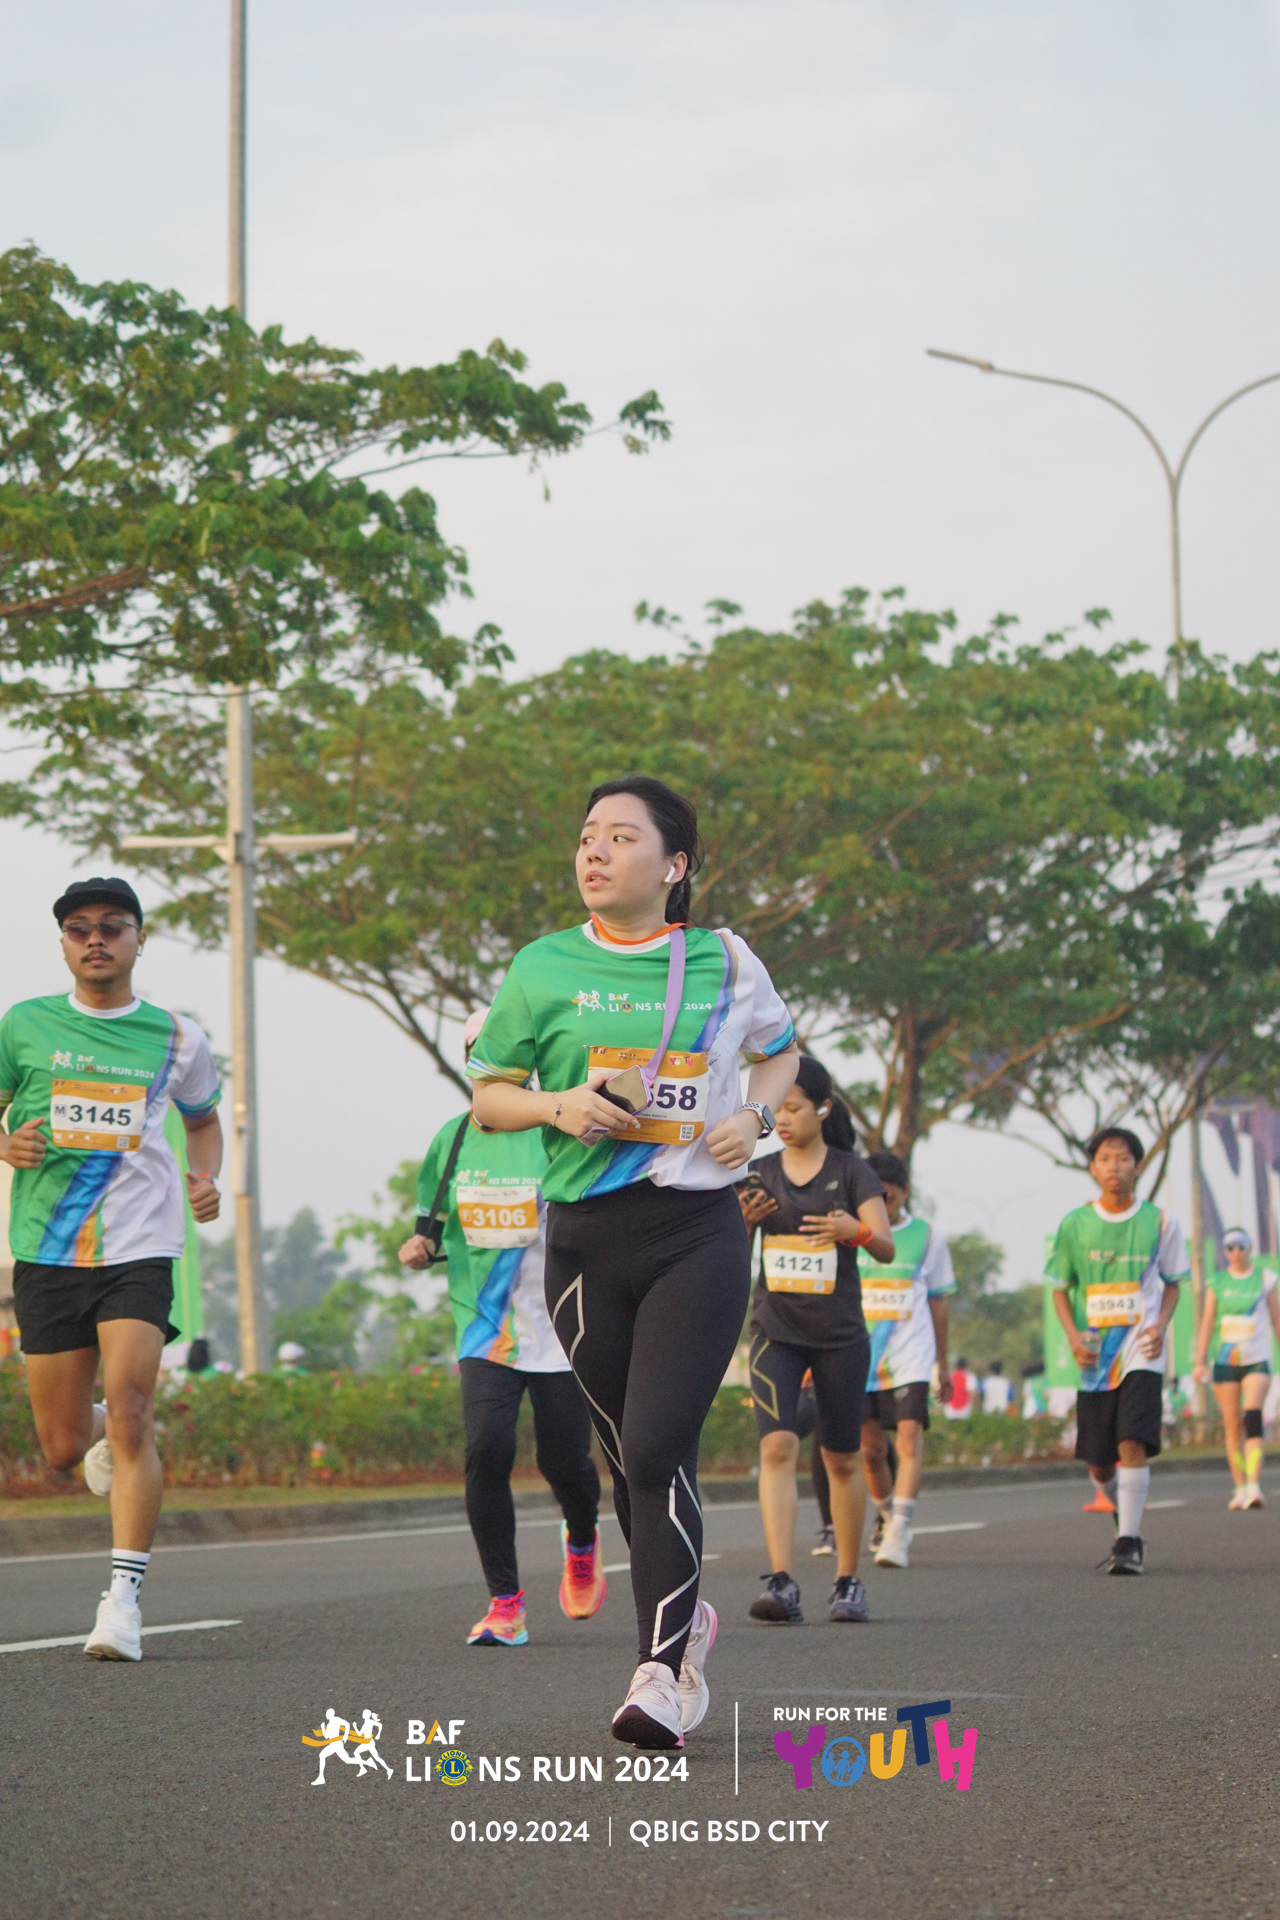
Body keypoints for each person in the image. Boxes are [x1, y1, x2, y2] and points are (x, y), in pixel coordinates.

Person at [470, 775, 799, 1749]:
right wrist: (557, 1105)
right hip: (582, 1241)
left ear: (674, 864)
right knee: (627, 1459)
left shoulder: (723, 960)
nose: (595, 852)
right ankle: (682, 1617)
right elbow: (490, 1096)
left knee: (656, 1447)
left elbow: (780, 1051)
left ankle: (665, 1671)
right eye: (586, 836)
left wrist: (753, 1117)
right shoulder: (541, 966)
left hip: (694, 1231)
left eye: (620, 837)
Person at [0, 878, 222, 1659]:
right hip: (48, 1248)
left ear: (138, 938)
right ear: (64, 943)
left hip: (141, 1245)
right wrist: (5, 1143)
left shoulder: (177, 1037)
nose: (95, 939)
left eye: (112, 926)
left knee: (132, 1407)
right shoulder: (24, 1025)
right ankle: (97, 1433)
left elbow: (203, 1122)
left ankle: (122, 1602)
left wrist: (206, 1176)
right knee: (62, 1447)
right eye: (79, 928)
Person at [399, 1008, 605, 1646]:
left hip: (560, 1328)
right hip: (486, 1329)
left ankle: (581, 1539)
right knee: (487, 1449)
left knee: (565, 1463)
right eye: (480, 1053)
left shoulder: (554, 1131)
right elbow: (430, 1222)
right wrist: (418, 1245)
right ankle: (505, 1604)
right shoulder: (453, 1140)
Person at [738, 1056, 892, 1624]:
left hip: (839, 1336)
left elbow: (886, 1247)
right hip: (775, 1330)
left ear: (823, 1110)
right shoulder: (759, 1174)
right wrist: (744, 1224)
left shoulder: (854, 1173)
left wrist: (857, 1230)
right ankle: (782, 1582)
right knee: (777, 1447)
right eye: (776, 1109)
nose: (782, 1118)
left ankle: (848, 1583)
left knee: (841, 1457)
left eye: (794, 1108)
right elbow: (728, 1252)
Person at [1047, 1126, 1187, 1576]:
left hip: (1142, 1347)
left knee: (1132, 1439)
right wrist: (1073, 1337)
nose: (1114, 1167)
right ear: (1093, 1168)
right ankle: (1120, 1509)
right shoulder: (1074, 1224)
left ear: (1137, 1166)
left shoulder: (1161, 1223)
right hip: (1095, 1356)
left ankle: (1128, 1542)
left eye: (1123, 1159)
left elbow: (1173, 1284)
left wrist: (1161, 1326)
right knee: (1101, 1463)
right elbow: (1060, 1289)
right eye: (1106, 1159)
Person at [857, 1149, 955, 1571]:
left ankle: (899, 1528)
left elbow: (939, 1302)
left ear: (905, 1193)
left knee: (909, 1438)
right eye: (875, 1198)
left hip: (911, 1356)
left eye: (891, 1198)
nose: (883, 1206)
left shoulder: (928, 1237)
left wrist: (942, 1364)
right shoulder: (851, 1232)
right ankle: (886, 1514)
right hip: (860, 1356)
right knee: (871, 1451)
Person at [1192, 1226, 1280, 1510]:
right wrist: (1199, 1360)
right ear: (1225, 1251)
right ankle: (1240, 1486)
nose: (1236, 1252)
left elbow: (1276, 1320)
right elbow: (1208, 1322)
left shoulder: (1264, 1279)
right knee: (1232, 1424)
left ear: (1249, 1248)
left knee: (1252, 1416)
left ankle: (1254, 1485)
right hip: (1225, 1360)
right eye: (1230, 1247)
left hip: (1256, 1358)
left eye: (1241, 1246)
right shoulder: (1217, 1282)